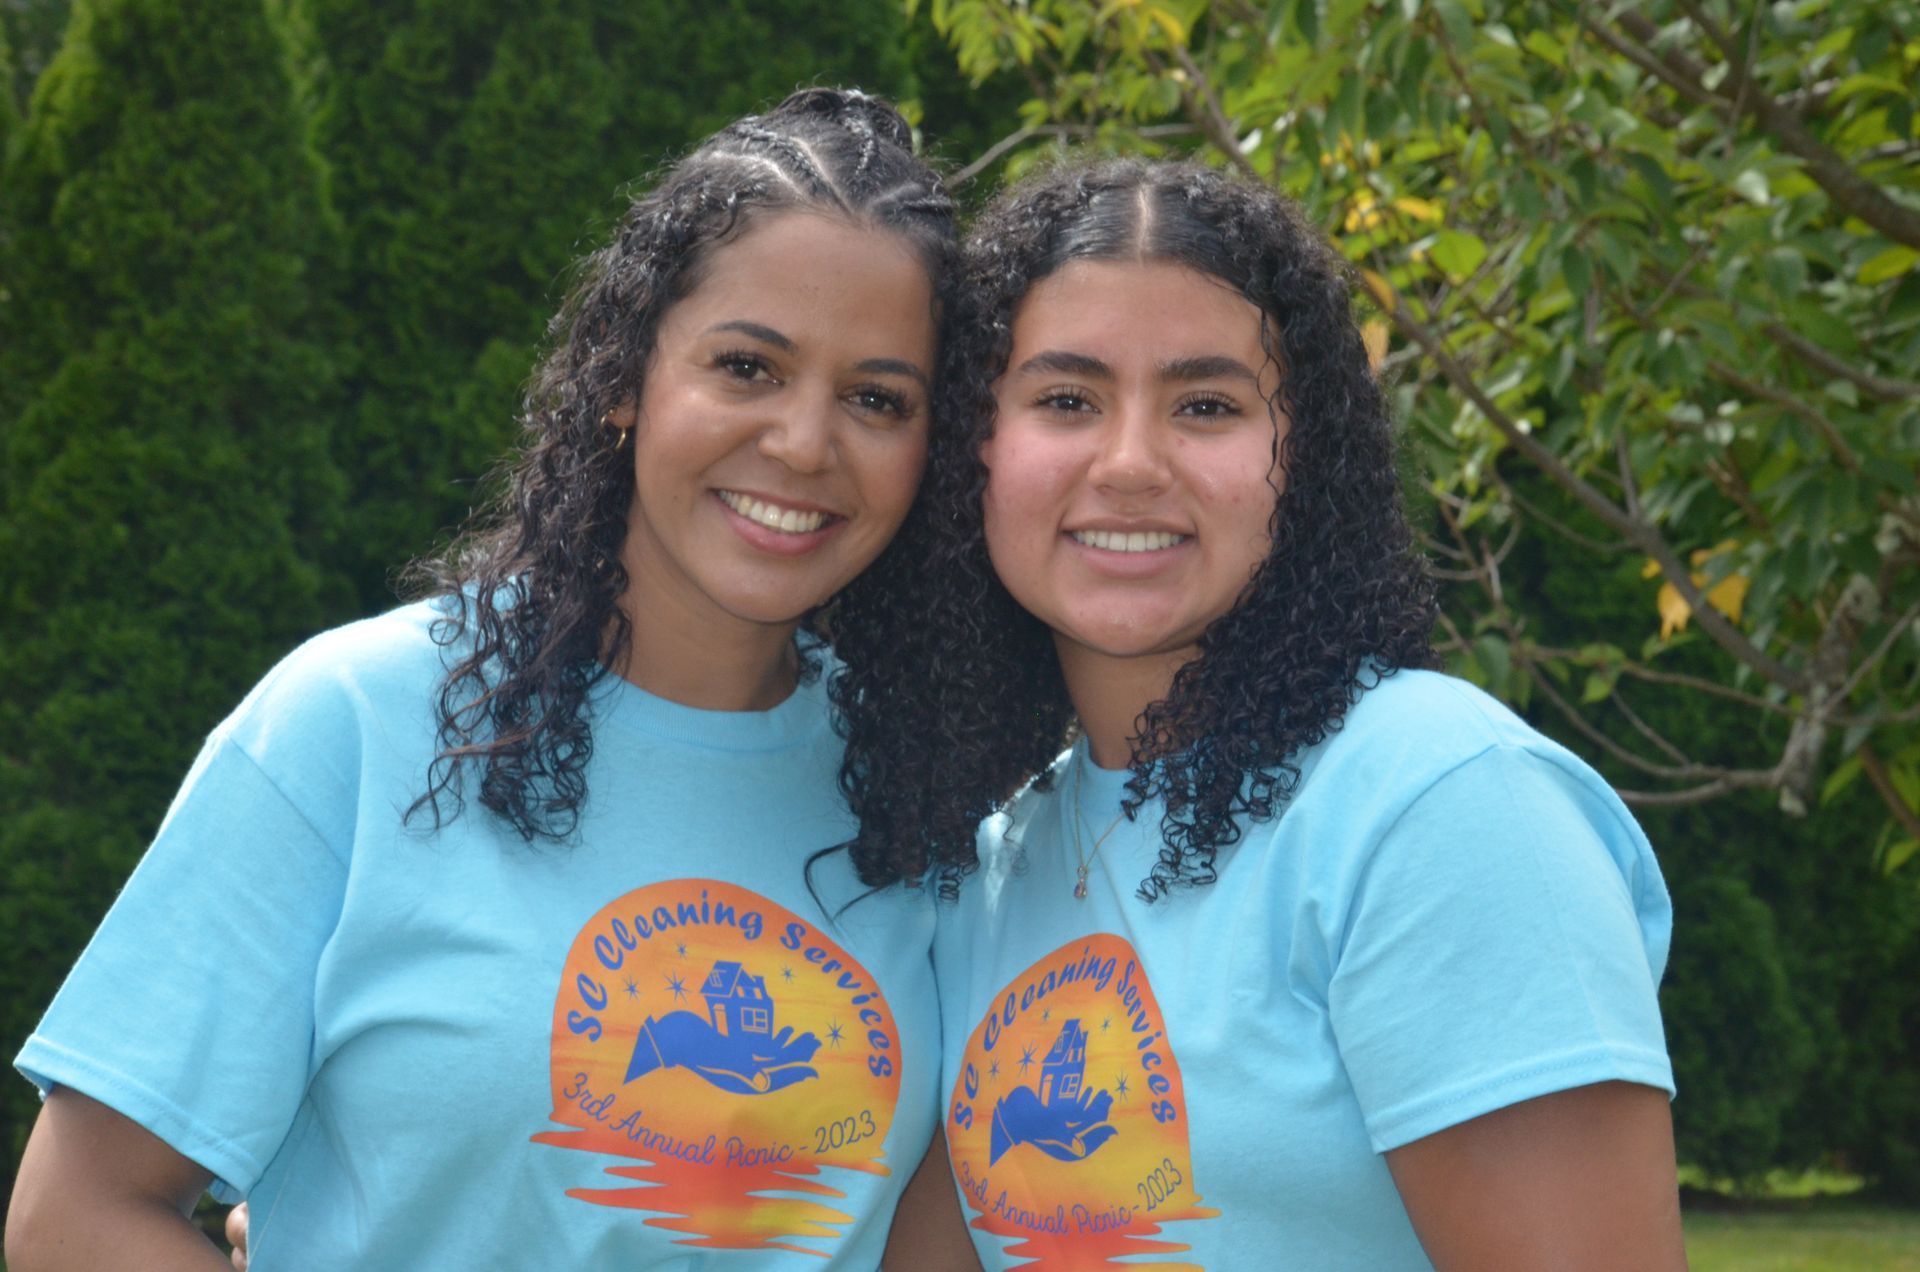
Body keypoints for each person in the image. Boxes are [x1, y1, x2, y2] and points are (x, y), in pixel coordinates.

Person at [6, 88, 975, 1271]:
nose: (806, 442)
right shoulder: (352, 723)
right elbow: (77, 1218)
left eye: (879, 399)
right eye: (746, 366)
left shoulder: (927, 797)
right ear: (626, 379)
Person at [860, 158, 1687, 1269]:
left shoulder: (1438, 800)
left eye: (1207, 404)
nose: (1131, 463)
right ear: (977, 447)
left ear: (1306, 458)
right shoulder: (993, 864)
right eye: (1066, 399)